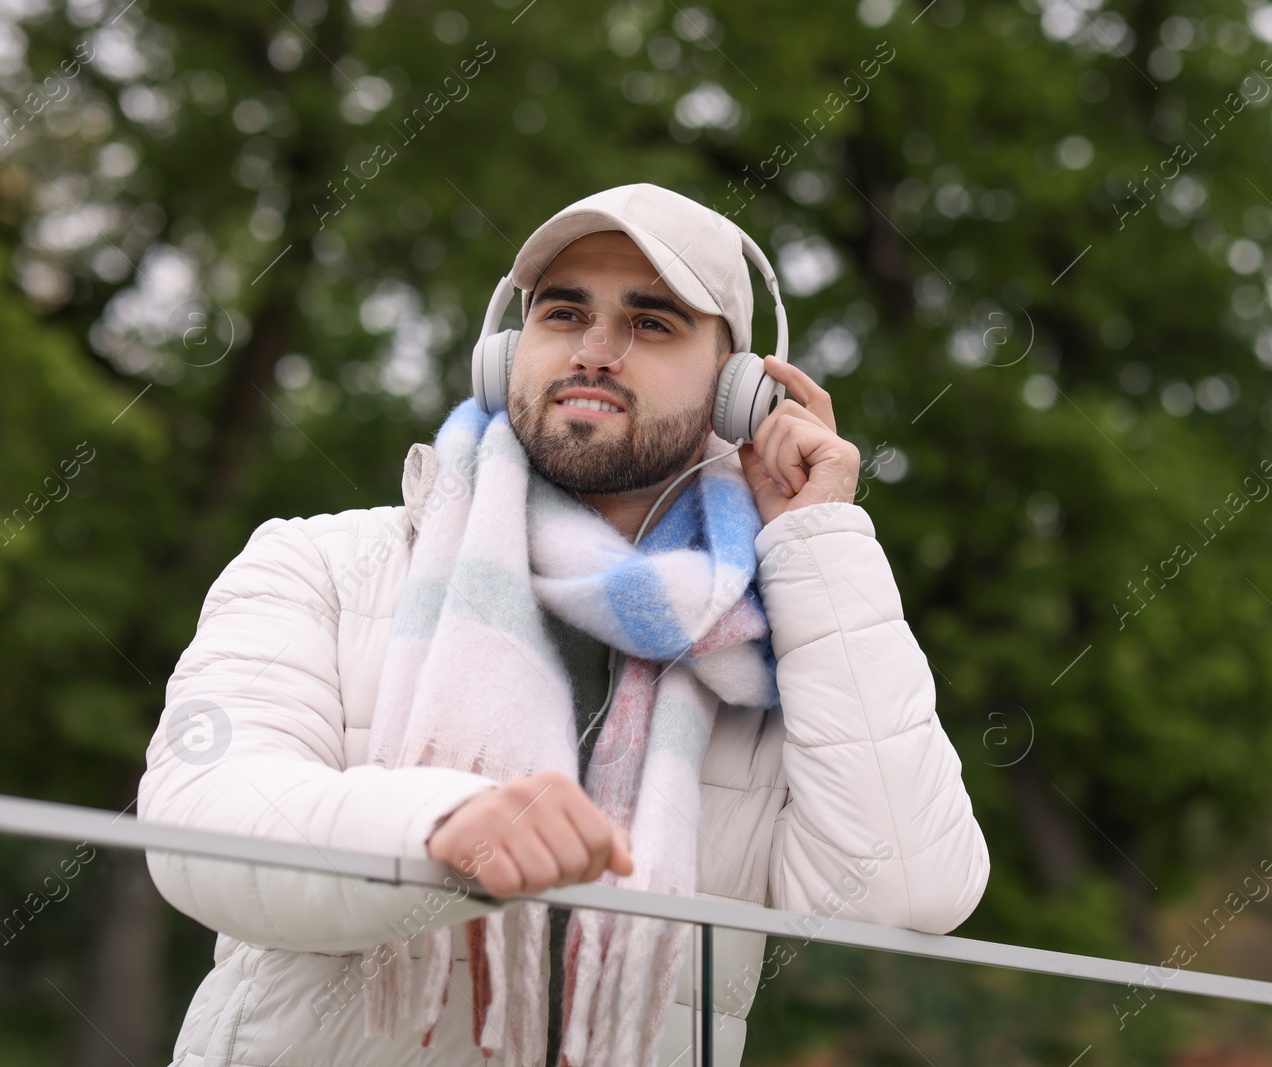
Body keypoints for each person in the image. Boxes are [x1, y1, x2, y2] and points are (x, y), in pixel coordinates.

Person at [138, 182, 989, 1067]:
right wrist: (442, 826)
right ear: (509, 349)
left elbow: (904, 893)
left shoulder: (772, 643)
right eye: (564, 312)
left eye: (652, 323)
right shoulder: (320, 565)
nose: (594, 351)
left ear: (741, 392)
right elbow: (201, 825)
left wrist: (815, 542)